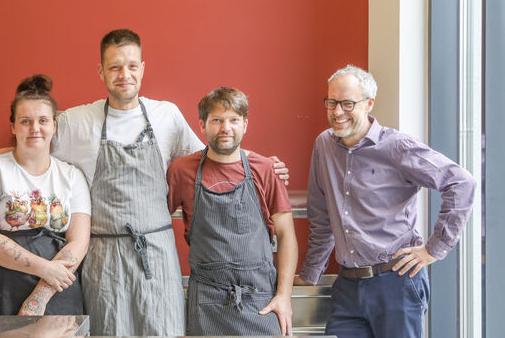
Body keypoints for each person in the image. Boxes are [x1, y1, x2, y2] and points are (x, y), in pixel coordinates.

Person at [52, 29, 290, 336]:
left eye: (132, 65)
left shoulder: (167, 116)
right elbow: (33, 150)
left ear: (143, 68)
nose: (124, 74)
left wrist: (261, 164)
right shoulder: (76, 121)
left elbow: (213, 156)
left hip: (157, 254)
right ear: (101, 71)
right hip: (104, 255)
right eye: (114, 67)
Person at [295, 65, 477, 337]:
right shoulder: (324, 145)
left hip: (397, 283)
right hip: (347, 287)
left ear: (369, 104)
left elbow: (462, 182)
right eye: (331, 102)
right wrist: (311, 274)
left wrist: (433, 249)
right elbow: (322, 218)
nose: (337, 112)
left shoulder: (396, 147)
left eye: (347, 103)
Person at [167, 87, 298, 336]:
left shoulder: (265, 169)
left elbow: (287, 234)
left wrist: (284, 296)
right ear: (202, 125)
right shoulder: (182, 171)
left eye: (233, 120)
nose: (225, 127)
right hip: (207, 301)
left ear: (245, 125)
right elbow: (156, 224)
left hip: (262, 299)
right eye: (217, 120)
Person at [0, 74, 91, 315]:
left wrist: (39, 297)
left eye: (43, 120)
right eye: (25, 121)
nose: (35, 128)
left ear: (54, 125)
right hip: (0, 291)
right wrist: (44, 268)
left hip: (58, 289)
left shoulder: (72, 176)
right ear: (13, 126)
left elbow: (79, 242)